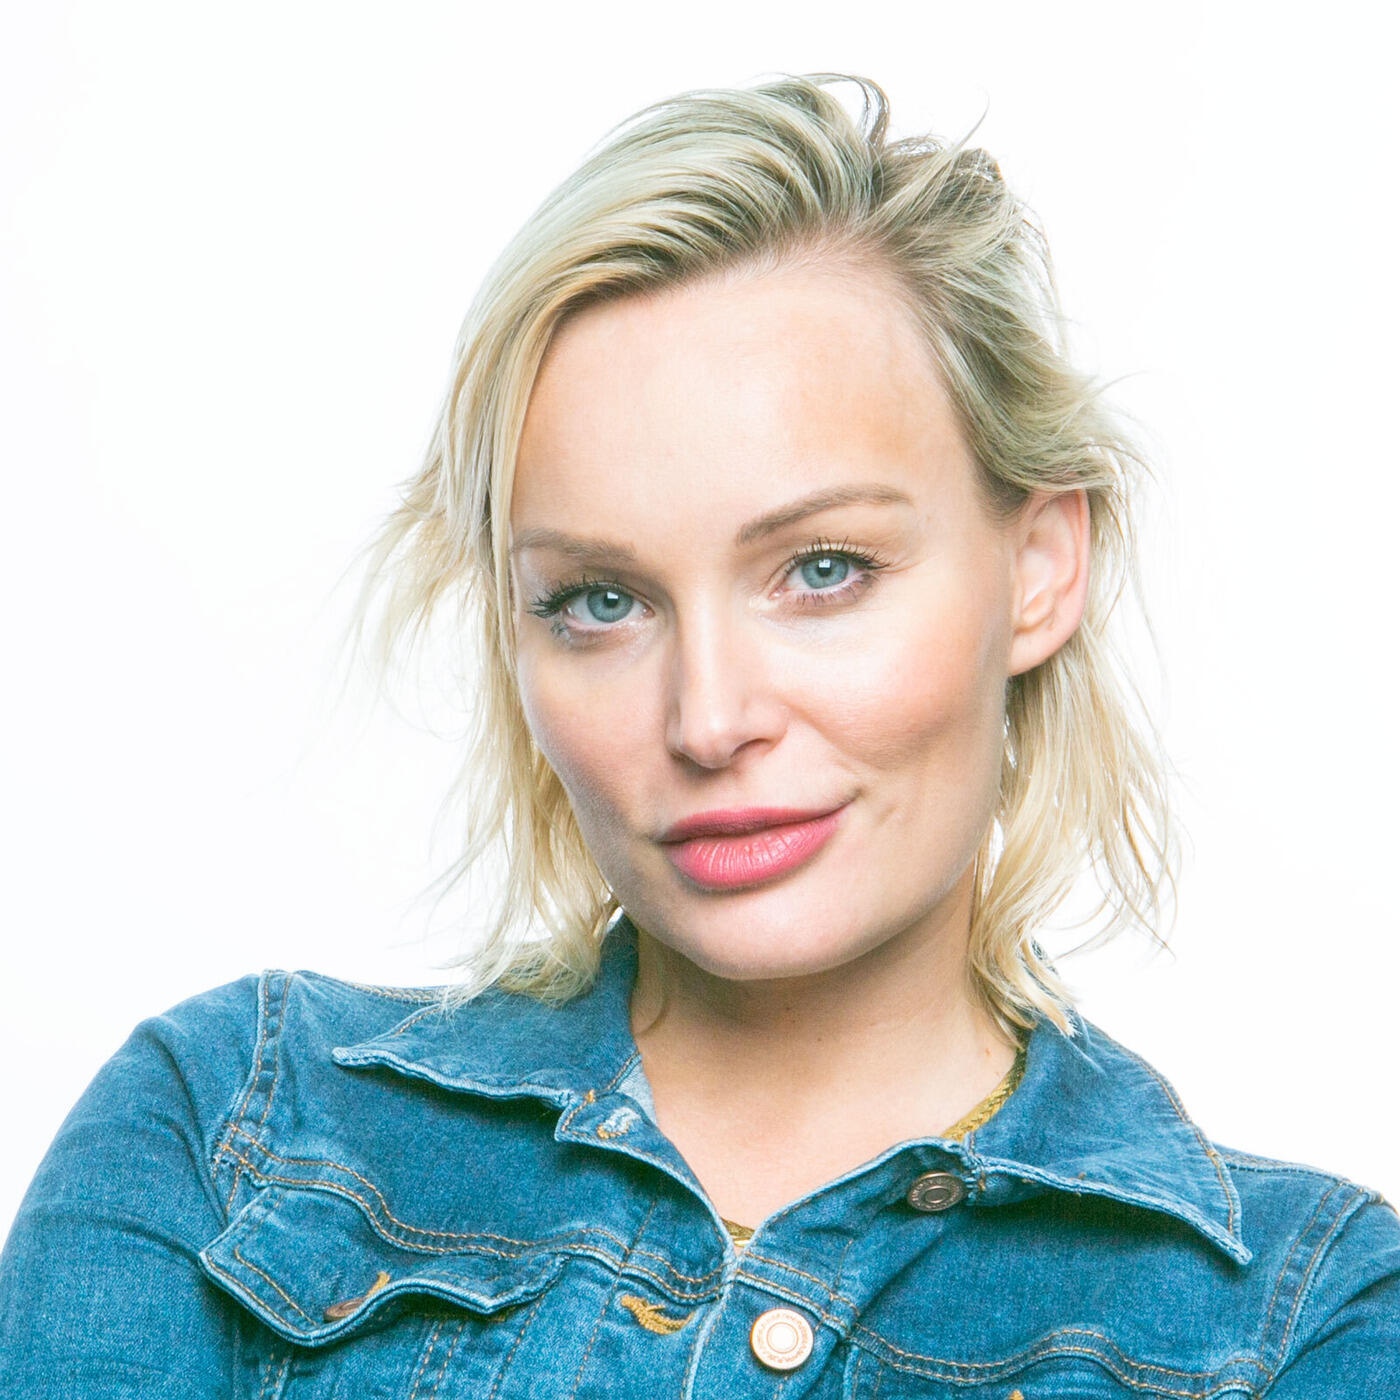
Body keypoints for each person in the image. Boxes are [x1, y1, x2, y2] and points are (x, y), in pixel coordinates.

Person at [2, 72, 1396, 1395]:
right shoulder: (233, 1131)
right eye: (601, 601)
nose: (710, 719)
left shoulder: (1300, 1321)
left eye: (824, 570)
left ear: (1038, 569)